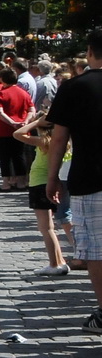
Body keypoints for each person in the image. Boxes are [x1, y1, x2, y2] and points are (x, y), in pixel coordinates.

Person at [46, 29, 102, 334]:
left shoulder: (75, 87)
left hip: (90, 176)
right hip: (89, 177)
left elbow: (58, 138)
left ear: (90, 52)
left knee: (96, 249)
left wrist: (52, 178)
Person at [14, 112, 69, 276]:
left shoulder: (44, 142)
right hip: (46, 182)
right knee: (49, 227)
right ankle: (60, 261)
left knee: (46, 228)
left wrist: (36, 121)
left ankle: (54, 263)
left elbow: (17, 134)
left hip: (40, 184)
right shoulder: (61, 142)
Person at [0, 66, 34, 191]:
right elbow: (32, 110)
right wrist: (25, 121)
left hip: (3, 130)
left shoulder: (1, 94)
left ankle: (6, 183)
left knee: (5, 157)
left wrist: (12, 122)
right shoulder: (24, 93)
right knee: (20, 156)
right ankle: (21, 182)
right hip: (22, 130)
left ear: (2, 79)